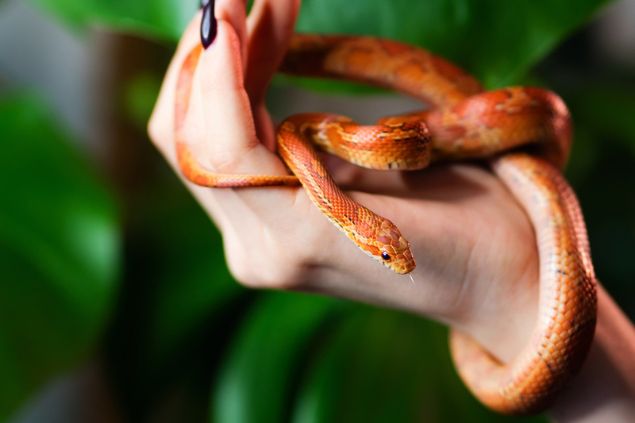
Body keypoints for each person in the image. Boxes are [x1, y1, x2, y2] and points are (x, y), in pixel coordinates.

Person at [148, 0, 635, 420]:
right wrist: (496, 284)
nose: (399, 257)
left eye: (388, 250)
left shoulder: (335, 161)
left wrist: (497, 282)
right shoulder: (324, 161)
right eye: (387, 253)